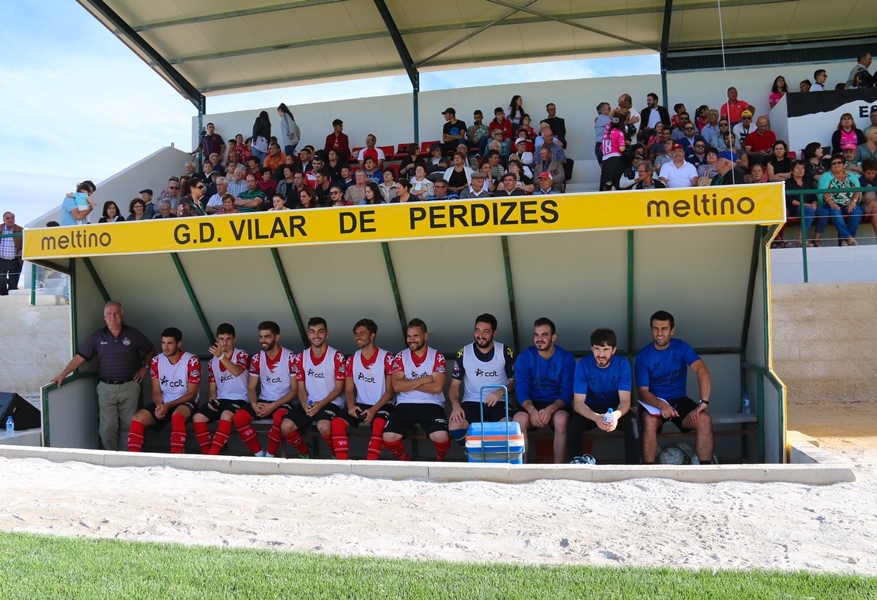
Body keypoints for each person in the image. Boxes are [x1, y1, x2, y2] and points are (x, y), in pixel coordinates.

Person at [636, 310, 713, 465]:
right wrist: (662, 405)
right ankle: (649, 472)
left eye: (664, 329)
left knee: (704, 420)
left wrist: (703, 402)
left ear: (672, 330)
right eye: (655, 328)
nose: (659, 333)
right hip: (654, 403)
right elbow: (643, 392)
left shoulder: (681, 347)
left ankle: (706, 470)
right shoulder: (644, 356)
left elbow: (702, 371)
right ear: (651, 330)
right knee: (649, 422)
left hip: (679, 401)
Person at [566, 328, 640, 465]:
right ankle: (575, 465)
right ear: (592, 349)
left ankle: (634, 467)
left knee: (632, 423)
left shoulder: (622, 365)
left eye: (605, 349)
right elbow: (578, 404)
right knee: (573, 425)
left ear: (613, 350)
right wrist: (596, 417)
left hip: (615, 409)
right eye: (597, 349)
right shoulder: (583, 365)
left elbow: (625, 401)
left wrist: (616, 416)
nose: (601, 354)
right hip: (590, 409)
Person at [276, 318, 346, 458]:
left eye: (320, 332)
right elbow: (300, 388)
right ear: (308, 335)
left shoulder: (336, 356)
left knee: (323, 427)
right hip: (309, 402)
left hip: (331, 402)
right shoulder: (301, 357)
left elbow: (339, 388)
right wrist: (304, 403)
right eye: (313, 332)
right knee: (285, 427)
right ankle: (305, 451)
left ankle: (335, 455)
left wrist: (321, 404)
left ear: (327, 333)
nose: (316, 336)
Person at [382, 318, 450, 462]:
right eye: (409, 336)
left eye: (416, 336)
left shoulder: (437, 356)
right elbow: (397, 386)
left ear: (425, 336)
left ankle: (439, 459)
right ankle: (405, 460)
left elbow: (437, 388)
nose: (412, 340)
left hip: (432, 403)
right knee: (388, 437)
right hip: (405, 403)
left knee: (441, 437)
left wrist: (408, 382)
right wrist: (425, 379)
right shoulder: (401, 356)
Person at [232, 321, 301, 457]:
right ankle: (259, 455)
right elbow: (251, 387)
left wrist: (273, 406)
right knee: (239, 417)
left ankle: (270, 457)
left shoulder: (291, 357)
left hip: (282, 402)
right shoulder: (257, 358)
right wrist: (254, 404)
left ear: (277, 337)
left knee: (278, 418)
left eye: (267, 336)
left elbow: (295, 390)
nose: (263, 340)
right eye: (261, 336)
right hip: (263, 400)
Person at [127, 327, 199, 453]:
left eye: (170, 343)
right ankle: (133, 459)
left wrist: (168, 405)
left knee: (177, 416)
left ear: (179, 344)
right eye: (163, 343)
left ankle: (177, 457)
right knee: (137, 418)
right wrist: (160, 405)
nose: (165, 347)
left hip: (186, 402)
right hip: (164, 401)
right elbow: (155, 390)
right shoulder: (156, 361)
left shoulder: (192, 360)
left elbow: (192, 394)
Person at [447, 313, 515, 447]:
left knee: (506, 428)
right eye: (477, 330)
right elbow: (454, 386)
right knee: (455, 426)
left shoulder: (505, 352)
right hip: (472, 401)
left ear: (494, 333)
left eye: (486, 331)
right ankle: (478, 456)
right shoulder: (464, 353)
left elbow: (515, 382)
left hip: (499, 402)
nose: (480, 335)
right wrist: (455, 405)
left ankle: (494, 461)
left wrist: (500, 392)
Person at [512, 318, 574, 463]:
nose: (539, 339)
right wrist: (532, 410)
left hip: (556, 403)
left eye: (544, 335)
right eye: (536, 335)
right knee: (518, 420)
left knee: (561, 420)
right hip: (531, 403)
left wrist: (550, 410)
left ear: (553, 337)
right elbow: (521, 389)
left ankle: (558, 468)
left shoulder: (565, 358)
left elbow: (567, 392)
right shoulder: (525, 357)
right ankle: (522, 468)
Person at [334, 319, 396, 460]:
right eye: (356, 334)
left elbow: (390, 391)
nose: (358, 337)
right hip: (361, 403)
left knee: (379, 423)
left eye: (362, 333)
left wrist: (374, 410)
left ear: (372, 336)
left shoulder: (386, 358)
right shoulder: (351, 360)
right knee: (337, 423)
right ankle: (342, 465)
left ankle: (370, 465)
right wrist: (350, 406)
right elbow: (349, 390)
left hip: (383, 404)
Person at [190, 323, 250, 455]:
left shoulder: (242, 355)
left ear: (234, 339)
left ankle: (213, 454)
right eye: (221, 339)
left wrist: (221, 357)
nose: (225, 343)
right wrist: (212, 401)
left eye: (228, 339)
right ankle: (207, 454)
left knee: (226, 415)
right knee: (198, 417)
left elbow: (236, 371)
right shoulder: (212, 361)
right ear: (217, 340)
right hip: (221, 400)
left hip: (240, 399)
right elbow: (212, 387)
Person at [818, 153, 863, 246]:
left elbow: (858, 190)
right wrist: (831, 203)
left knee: (857, 212)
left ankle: (846, 239)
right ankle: (849, 238)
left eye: (839, 162)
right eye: (833, 163)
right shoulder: (826, 175)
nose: (836, 165)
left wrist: (853, 202)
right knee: (835, 212)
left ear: (843, 164)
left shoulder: (851, 175)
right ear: (830, 166)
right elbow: (823, 191)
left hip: (849, 202)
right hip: (832, 203)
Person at [786, 160, 828, 247]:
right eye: (797, 168)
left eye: (802, 168)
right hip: (795, 208)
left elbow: (814, 198)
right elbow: (789, 200)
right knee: (809, 210)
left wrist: (814, 204)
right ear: (791, 171)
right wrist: (807, 205)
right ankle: (801, 239)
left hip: (809, 207)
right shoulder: (787, 183)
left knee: (824, 212)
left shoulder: (808, 183)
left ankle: (816, 240)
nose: (800, 170)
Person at [600, 110, 627, 190]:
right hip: (616, 159)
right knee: (615, 184)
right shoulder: (619, 132)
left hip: (605, 161)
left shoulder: (606, 132)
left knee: (606, 184)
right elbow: (621, 148)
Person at [0, 212, 23, 295]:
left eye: (12, 218)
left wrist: (22, 250)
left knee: (13, 284)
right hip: (1, 261)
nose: (10, 220)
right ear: (4, 220)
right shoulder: (0, 229)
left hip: (16, 261)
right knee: (1, 281)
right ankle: (4, 299)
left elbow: (27, 243)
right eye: (8, 218)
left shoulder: (20, 230)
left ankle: (11, 301)